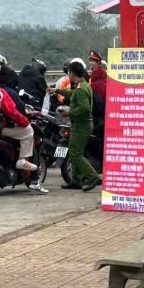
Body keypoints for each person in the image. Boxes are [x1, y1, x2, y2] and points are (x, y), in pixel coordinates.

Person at [51, 60, 101, 190]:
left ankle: (93, 177)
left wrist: (69, 112)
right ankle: (77, 180)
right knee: (78, 152)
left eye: (69, 73)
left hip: (81, 126)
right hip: (83, 125)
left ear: (72, 73)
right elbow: (71, 94)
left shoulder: (81, 89)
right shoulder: (83, 86)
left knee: (75, 154)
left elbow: (84, 108)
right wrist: (56, 90)